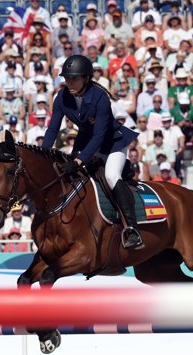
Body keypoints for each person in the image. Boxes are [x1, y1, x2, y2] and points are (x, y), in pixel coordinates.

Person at [41, 55, 141, 249]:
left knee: (111, 176)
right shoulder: (62, 97)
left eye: (74, 78)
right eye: (67, 78)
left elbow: (99, 135)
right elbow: (53, 129)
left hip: (113, 144)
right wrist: (44, 153)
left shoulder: (100, 97)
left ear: (86, 78)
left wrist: (79, 160)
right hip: (87, 143)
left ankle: (132, 229)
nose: (69, 82)